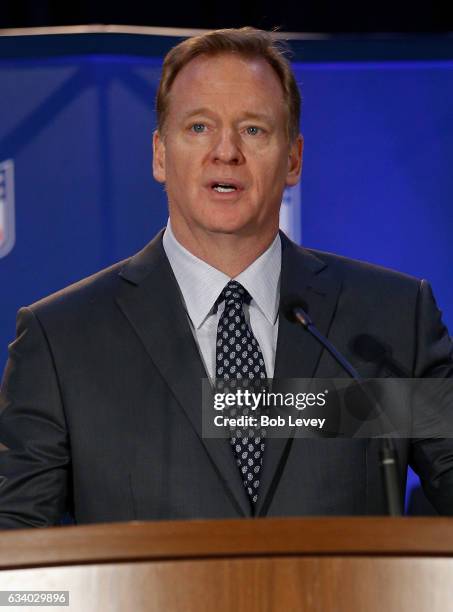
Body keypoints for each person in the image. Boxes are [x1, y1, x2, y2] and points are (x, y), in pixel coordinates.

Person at [1, 27, 452, 528]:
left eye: (254, 129)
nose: (226, 151)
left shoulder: (386, 324)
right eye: (198, 127)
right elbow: (15, 570)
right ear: (159, 154)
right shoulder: (64, 342)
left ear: (294, 159)